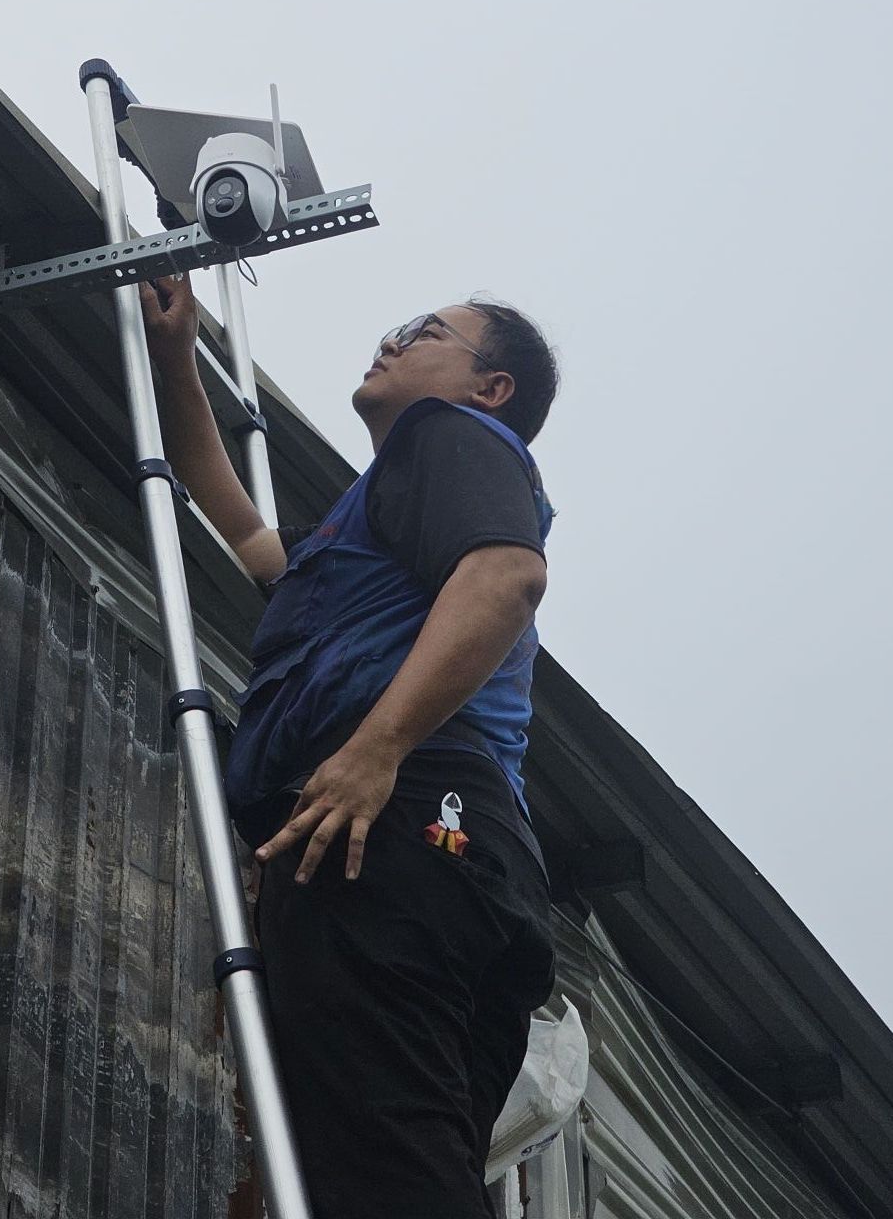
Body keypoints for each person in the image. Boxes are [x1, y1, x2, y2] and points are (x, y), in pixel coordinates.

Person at [141, 277, 561, 1219]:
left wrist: (376, 751)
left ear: (490, 388)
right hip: (462, 850)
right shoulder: (375, 527)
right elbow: (243, 530)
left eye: (426, 332)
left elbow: (506, 577)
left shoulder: (448, 439)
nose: (392, 340)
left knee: (381, 1165)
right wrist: (175, 359)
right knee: (409, 1163)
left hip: (396, 817)